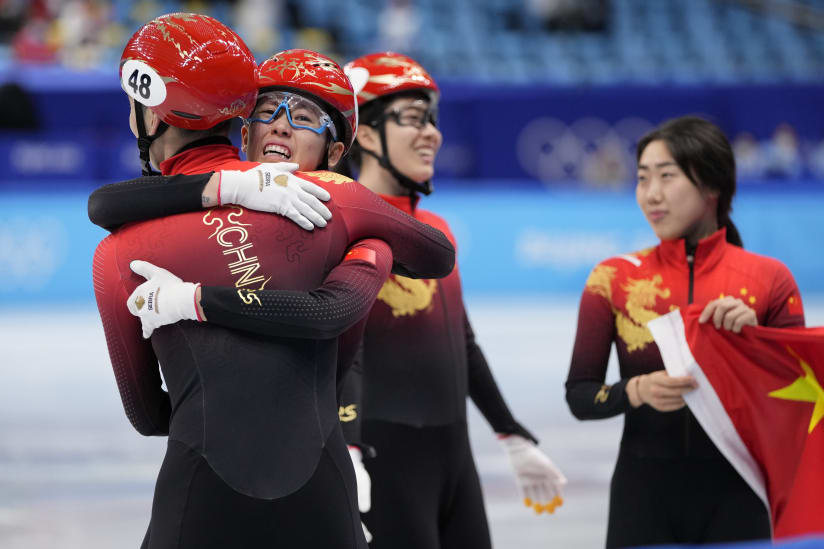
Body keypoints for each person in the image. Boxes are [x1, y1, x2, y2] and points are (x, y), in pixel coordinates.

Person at [93, 16, 455, 548]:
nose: (282, 127)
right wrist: (371, 249)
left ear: (151, 111)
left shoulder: (115, 253)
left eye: (303, 118)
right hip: (320, 487)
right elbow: (435, 257)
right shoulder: (339, 206)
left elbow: (148, 415)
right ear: (243, 128)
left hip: (197, 491)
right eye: (270, 111)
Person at [337, 52, 567, 549]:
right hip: (383, 461)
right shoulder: (343, 228)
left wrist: (510, 432)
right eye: (413, 119)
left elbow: (461, 340)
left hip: (454, 459)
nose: (432, 134)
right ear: (368, 135)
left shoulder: (436, 231)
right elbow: (342, 351)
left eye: (432, 120)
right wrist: (348, 446)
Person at [565, 115, 806, 548]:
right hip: (642, 502)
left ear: (712, 185)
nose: (651, 194)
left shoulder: (770, 280)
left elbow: (799, 406)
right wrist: (636, 390)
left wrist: (757, 343)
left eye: (666, 176)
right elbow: (579, 395)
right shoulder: (613, 279)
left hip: (739, 499)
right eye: (643, 178)